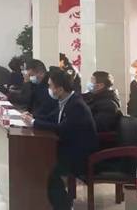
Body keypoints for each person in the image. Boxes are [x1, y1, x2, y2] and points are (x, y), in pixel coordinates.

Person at [23, 69, 98, 210]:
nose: (49, 89)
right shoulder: (66, 100)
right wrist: (33, 118)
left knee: (49, 171)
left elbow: (61, 129)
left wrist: (34, 123)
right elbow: (51, 118)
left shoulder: (76, 105)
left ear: (60, 89)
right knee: (40, 162)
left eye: (50, 86)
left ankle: (64, 206)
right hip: (67, 147)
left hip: (79, 154)